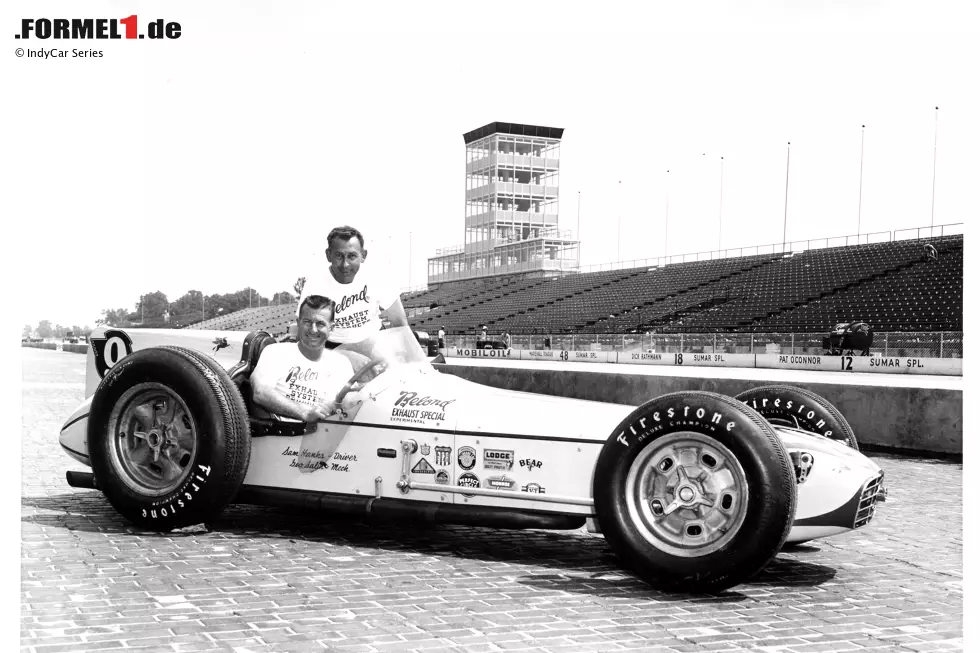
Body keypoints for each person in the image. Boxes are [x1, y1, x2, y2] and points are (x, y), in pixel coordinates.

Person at [298, 225, 409, 347]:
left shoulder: (377, 277)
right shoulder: (315, 285)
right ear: (328, 255)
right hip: (332, 345)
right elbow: (306, 333)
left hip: (373, 340)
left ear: (363, 255)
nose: (345, 265)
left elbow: (401, 324)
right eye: (339, 256)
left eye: (352, 256)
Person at [251, 295, 354, 423]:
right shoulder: (275, 352)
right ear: (298, 322)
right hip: (287, 435)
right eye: (307, 322)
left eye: (320, 324)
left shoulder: (342, 363)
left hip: (329, 434)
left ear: (331, 328)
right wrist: (304, 413)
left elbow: (351, 403)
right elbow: (260, 392)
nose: (313, 330)